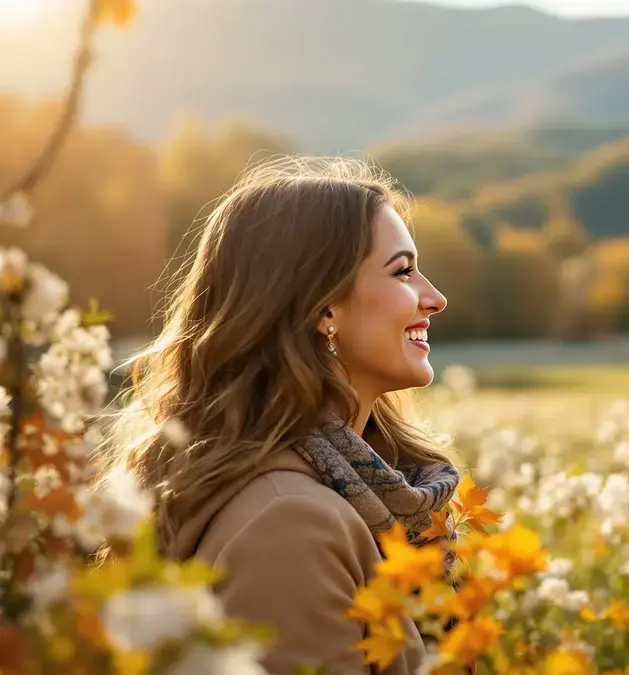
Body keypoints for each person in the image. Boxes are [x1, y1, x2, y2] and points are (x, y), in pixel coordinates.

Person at [96, 156, 457, 674]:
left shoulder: (352, 494)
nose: (436, 298)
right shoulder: (291, 524)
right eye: (402, 271)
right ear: (323, 308)